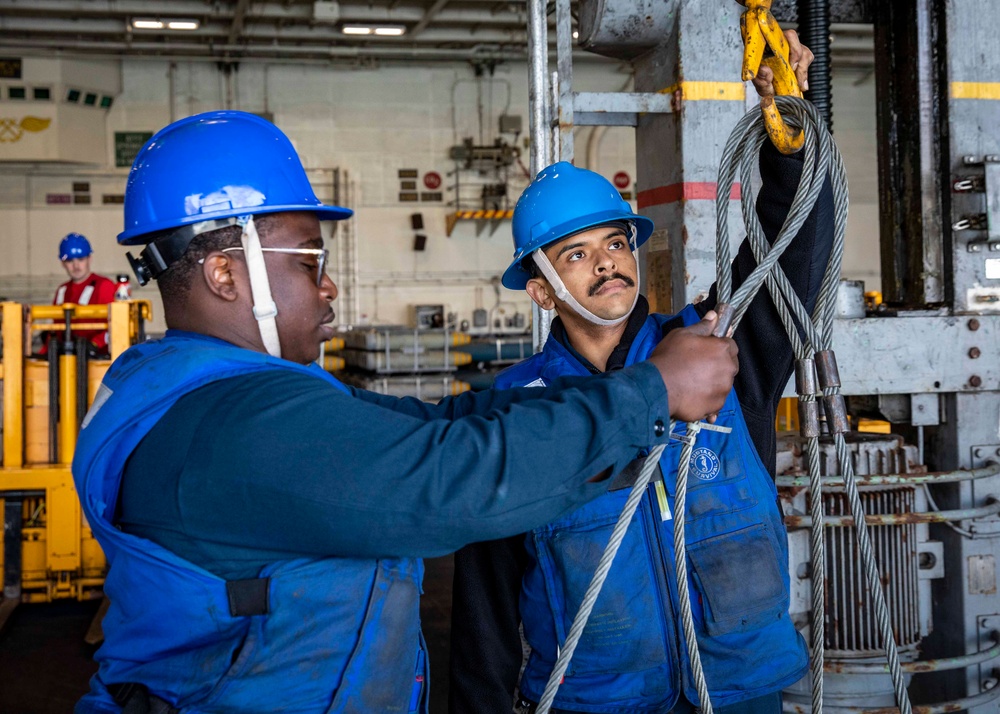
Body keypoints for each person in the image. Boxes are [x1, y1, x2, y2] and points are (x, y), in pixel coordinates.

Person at [71, 110, 740, 714]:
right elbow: (451, 478)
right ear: (226, 274)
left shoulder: (216, 391)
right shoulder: (231, 425)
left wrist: (592, 392)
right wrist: (651, 393)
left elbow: (433, 424)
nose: (329, 285)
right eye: (310, 262)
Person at [449, 32, 829, 714]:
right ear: (539, 290)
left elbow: (787, 255)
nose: (607, 264)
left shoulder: (717, 348)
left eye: (616, 243)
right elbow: (486, 608)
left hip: (738, 694)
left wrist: (791, 140)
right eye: (576, 254)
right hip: (596, 703)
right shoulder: (516, 414)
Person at [49, 233, 117, 354]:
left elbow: (116, 324)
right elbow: (55, 329)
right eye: (70, 261)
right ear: (62, 263)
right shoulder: (62, 291)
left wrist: (96, 344)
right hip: (65, 358)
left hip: (99, 358)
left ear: (89, 259)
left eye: (80, 259)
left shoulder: (104, 286)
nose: (76, 266)